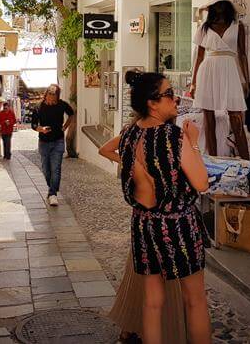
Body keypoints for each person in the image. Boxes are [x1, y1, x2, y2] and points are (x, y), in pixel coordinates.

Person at [108, 71, 211, 344]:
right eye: (168, 94)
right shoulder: (174, 137)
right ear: (153, 103)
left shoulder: (129, 134)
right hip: (178, 226)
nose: (175, 98)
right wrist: (194, 144)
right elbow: (201, 183)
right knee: (195, 300)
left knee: (152, 302)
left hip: (144, 224)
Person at [99, 128, 187, 344]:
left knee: (140, 277)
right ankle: (159, 329)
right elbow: (105, 149)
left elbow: (105, 150)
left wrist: (131, 165)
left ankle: (133, 326)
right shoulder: (158, 135)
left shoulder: (135, 134)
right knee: (161, 279)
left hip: (144, 218)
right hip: (161, 217)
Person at [190, 0, 250, 159]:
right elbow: (199, 56)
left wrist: (245, 81)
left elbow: (243, 54)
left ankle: (246, 162)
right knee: (209, 120)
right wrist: (193, 82)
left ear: (227, 6)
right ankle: (213, 160)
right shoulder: (204, 28)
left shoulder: (238, 26)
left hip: (230, 70)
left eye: (222, 3)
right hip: (208, 70)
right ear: (211, 7)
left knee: (236, 117)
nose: (219, 7)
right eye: (216, 4)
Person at [31, 84, 75, 206]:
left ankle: (52, 194)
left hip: (58, 141)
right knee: (46, 169)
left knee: (56, 169)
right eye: (50, 98)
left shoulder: (61, 105)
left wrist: (65, 127)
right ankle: (52, 188)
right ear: (46, 96)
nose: (52, 101)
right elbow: (33, 125)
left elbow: (71, 114)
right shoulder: (39, 107)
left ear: (57, 97)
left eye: (54, 99)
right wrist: (41, 129)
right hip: (44, 142)